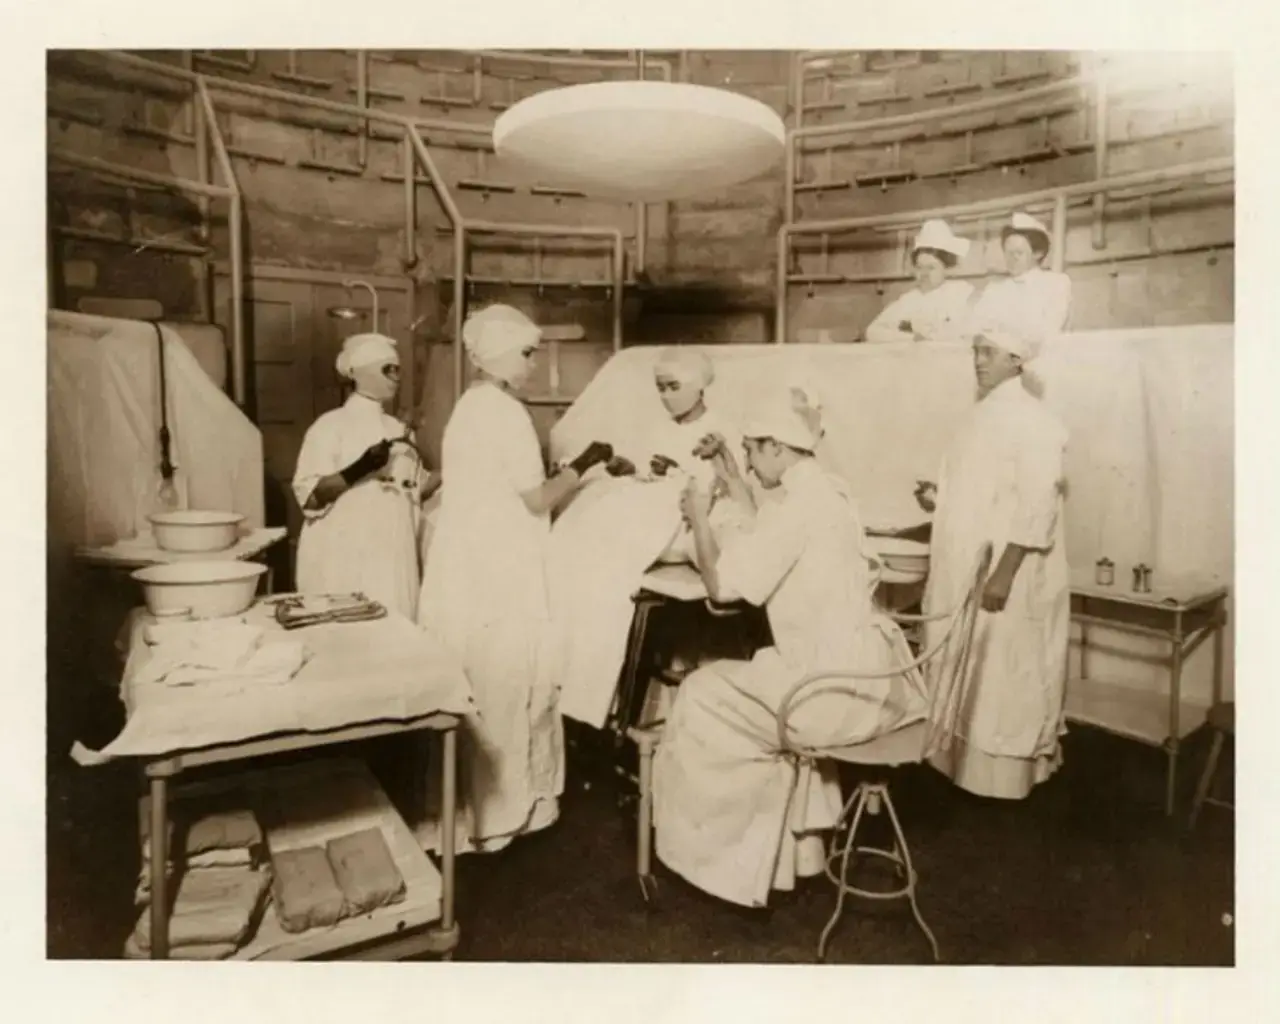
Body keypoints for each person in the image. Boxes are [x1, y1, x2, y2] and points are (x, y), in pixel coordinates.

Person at [651, 383, 925, 908]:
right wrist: (733, 478)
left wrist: (702, 517)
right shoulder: (828, 490)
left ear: (778, 447)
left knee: (700, 692)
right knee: (761, 671)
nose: (751, 464)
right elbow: (770, 527)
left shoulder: (797, 507)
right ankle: (803, 853)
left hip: (826, 698)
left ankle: (725, 869)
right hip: (874, 682)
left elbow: (723, 590)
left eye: (754, 450)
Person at [416, 303, 614, 854]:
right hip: (501, 569)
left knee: (477, 683)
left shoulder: (468, 408)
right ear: (503, 355)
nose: (532, 364)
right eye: (527, 353)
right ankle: (504, 814)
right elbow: (536, 499)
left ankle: (471, 812)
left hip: (467, 564)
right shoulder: (505, 413)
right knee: (510, 681)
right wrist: (588, 463)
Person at [913, 319, 1070, 800]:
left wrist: (1005, 572)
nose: (978, 359)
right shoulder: (980, 415)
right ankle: (955, 763)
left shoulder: (1035, 420)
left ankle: (1002, 781)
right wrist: (941, 496)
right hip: (965, 563)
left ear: (1017, 360)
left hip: (1008, 571)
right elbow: (986, 490)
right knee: (965, 664)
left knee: (1004, 670)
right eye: (976, 350)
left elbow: (1037, 501)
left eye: (990, 352)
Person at [291, 333, 439, 620]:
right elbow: (310, 497)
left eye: (398, 370)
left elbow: (416, 488)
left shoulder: (397, 428)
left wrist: (460, 469)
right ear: (360, 373)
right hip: (348, 552)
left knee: (395, 628)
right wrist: (360, 468)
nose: (396, 377)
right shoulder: (330, 427)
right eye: (388, 369)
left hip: (394, 553)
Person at [601, 347, 749, 564]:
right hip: (655, 511)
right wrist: (632, 469)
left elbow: (731, 489)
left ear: (698, 386)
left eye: (674, 387)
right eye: (660, 388)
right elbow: (650, 472)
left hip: (691, 524)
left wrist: (675, 472)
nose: (666, 396)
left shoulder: (721, 429)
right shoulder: (660, 429)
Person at [865, 219, 975, 344]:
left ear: (946, 269)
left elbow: (971, 332)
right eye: (919, 267)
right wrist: (911, 338)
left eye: (931, 268)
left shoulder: (961, 293)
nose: (924, 274)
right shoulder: (909, 300)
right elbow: (872, 332)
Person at [971, 211, 1073, 341]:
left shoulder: (1056, 283)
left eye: (1018, 253)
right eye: (1008, 253)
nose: (1012, 258)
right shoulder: (994, 289)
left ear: (1038, 253)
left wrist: (1000, 329)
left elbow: (1049, 330)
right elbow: (975, 328)